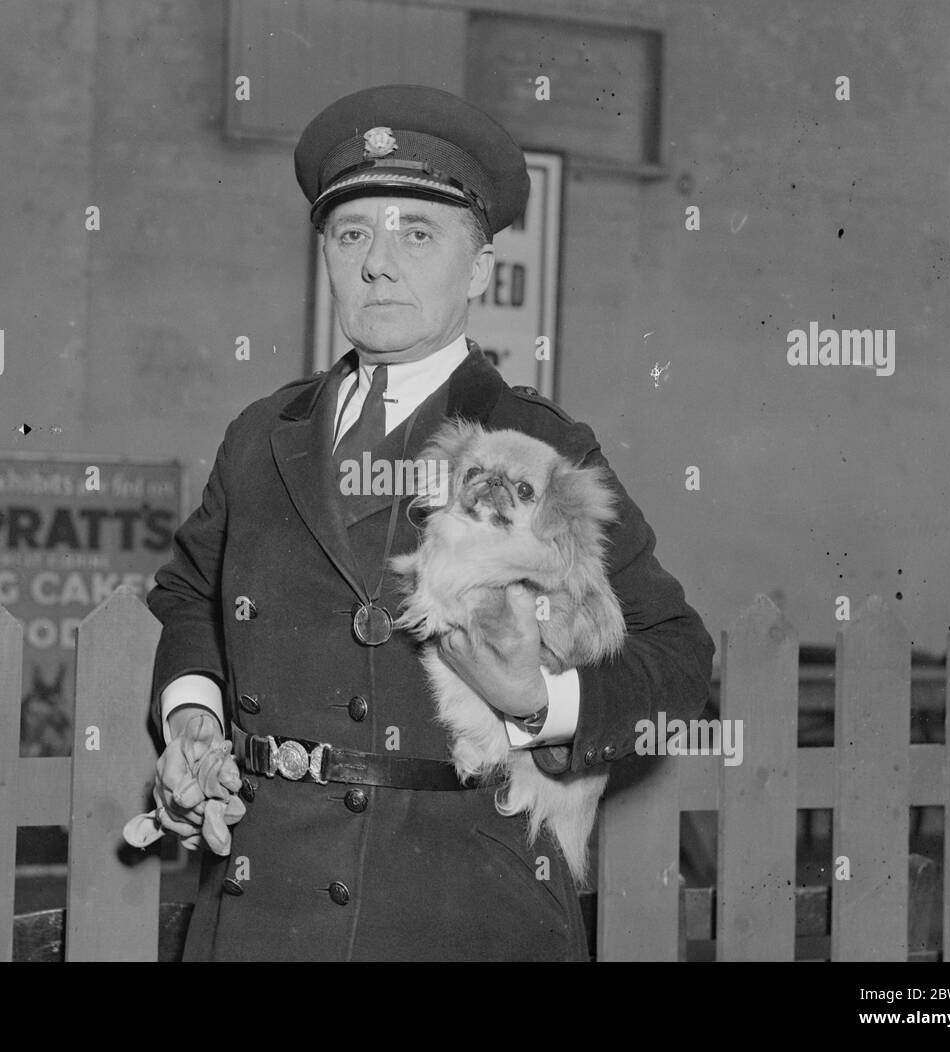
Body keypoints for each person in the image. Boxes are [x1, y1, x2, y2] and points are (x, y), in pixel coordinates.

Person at [145, 84, 715, 961]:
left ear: (480, 268)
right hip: (266, 909)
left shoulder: (540, 444)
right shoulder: (261, 435)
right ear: (326, 256)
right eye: (352, 233)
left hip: (463, 910)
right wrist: (193, 715)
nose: (379, 262)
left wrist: (539, 701)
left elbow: (678, 662)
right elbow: (190, 591)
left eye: (418, 232)